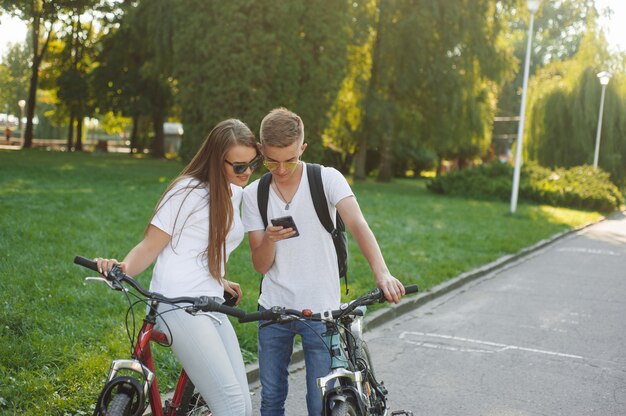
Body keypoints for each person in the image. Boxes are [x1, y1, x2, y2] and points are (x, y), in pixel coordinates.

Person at [242, 107, 407, 416]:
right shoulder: (255, 194)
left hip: (322, 311)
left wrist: (382, 273)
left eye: (290, 160)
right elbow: (260, 265)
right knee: (272, 397)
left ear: (302, 148)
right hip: (274, 310)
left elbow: (359, 225)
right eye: (272, 161)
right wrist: (269, 240)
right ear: (262, 150)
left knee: (320, 403)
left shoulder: (326, 179)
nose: (280, 169)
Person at [96, 119, 262, 416]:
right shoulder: (186, 191)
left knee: (245, 406)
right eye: (239, 166)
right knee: (233, 406)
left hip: (210, 302)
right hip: (176, 303)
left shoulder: (235, 193)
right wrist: (120, 268)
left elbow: (199, 247)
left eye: (253, 163)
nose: (247, 172)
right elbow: (150, 246)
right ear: (216, 160)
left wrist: (217, 277)